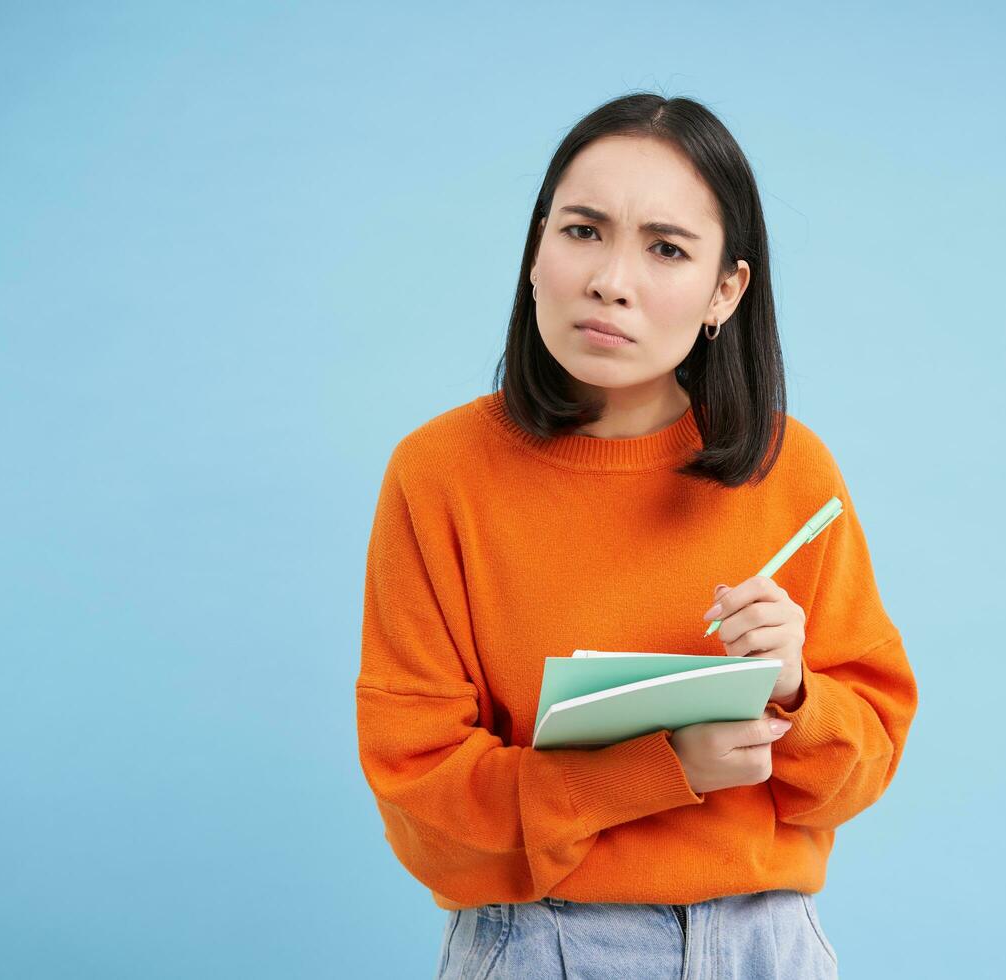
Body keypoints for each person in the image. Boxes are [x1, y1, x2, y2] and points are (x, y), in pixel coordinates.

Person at [355, 92, 919, 980]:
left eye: (665, 249)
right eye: (583, 231)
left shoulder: (791, 469)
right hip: (542, 942)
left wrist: (797, 687)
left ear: (725, 291)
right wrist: (660, 767)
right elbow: (422, 803)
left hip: (765, 947)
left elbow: (865, 768)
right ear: (536, 250)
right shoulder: (439, 475)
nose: (611, 279)